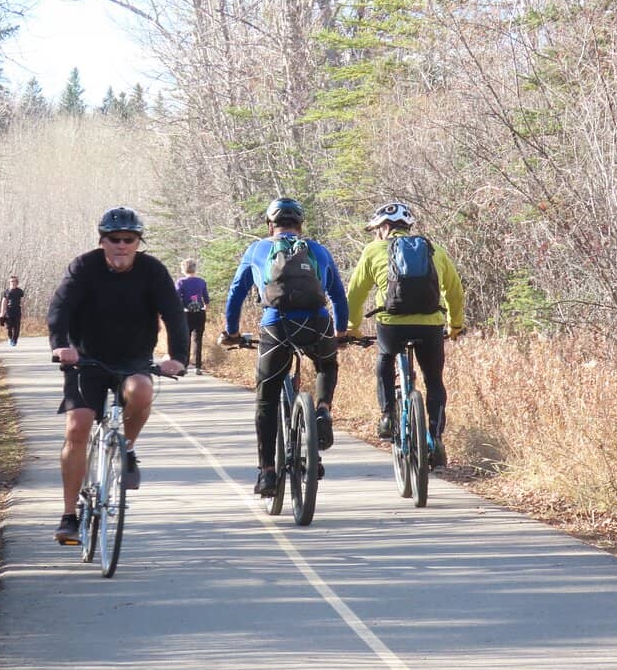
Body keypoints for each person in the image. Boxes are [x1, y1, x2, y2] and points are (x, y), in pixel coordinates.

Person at [47, 206, 188, 543]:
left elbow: (174, 315)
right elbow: (59, 309)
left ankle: (126, 447)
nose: (122, 245)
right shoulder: (84, 267)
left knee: (141, 391)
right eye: (115, 239)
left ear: (139, 242)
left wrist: (177, 357)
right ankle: (69, 515)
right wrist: (61, 345)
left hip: (134, 358)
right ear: (102, 241)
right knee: (78, 425)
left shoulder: (153, 271)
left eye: (129, 239)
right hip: (86, 360)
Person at [219, 197, 349, 497]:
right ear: (300, 226)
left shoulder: (258, 250)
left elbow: (236, 293)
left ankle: (266, 473)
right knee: (327, 364)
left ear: (269, 225)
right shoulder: (317, 250)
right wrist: (340, 331)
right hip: (317, 324)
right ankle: (322, 409)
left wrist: (233, 332)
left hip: (276, 326)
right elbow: (338, 296)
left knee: (266, 399)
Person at [344, 202, 465, 469]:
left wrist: (351, 327)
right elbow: (454, 290)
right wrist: (455, 325)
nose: (376, 234)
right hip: (430, 324)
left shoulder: (373, 250)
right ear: (407, 227)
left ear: (384, 228)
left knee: (385, 360)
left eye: (376, 229)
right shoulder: (433, 250)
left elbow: (355, 293)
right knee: (434, 380)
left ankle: (387, 415)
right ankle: (435, 439)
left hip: (391, 323)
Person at [175, 258, 210, 374]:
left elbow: (176, 297)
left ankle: (184, 366)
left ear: (183, 269)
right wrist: (205, 308)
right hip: (199, 312)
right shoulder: (201, 281)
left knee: (186, 339)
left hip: (185, 313)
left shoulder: (181, 282)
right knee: (198, 340)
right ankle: (197, 366)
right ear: (195, 268)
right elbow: (206, 298)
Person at [0, 275, 24, 346]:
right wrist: (2, 312)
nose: (13, 282)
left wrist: (23, 310)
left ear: (17, 282)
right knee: (9, 326)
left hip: (17, 311)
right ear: (9, 282)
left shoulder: (20, 291)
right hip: (9, 310)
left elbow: (22, 301)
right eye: (11, 281)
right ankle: (10, 338)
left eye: (14, 281)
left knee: (16, 326)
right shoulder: (6, 291)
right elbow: (4, 301)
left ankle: (14, 339)